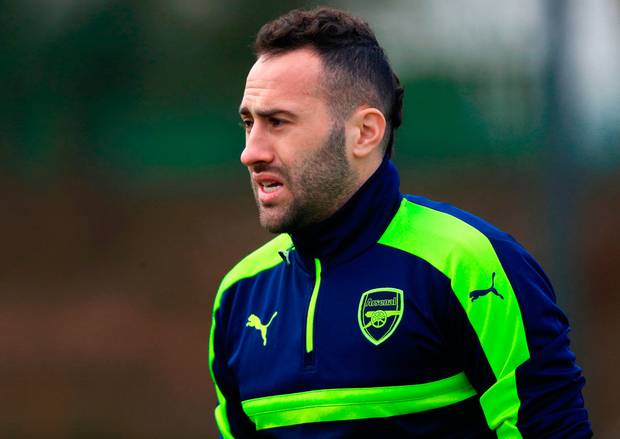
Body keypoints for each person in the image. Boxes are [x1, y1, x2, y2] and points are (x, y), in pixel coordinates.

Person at [209, 7, 592, 438]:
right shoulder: (239, 296)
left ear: (365, 132)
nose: (251, 151)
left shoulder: (468, 265)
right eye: (248, 123)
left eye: (278, 122)